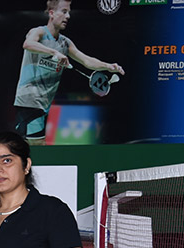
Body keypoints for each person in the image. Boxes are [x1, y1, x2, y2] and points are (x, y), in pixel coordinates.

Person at [14, 0, 124, 144]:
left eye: (69, 12)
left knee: (28, 146)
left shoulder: (65, 43)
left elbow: (86, 60)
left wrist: (108, 66)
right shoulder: (39, 32)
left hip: (45, 103)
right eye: (64, 11)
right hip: (30, 99)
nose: (68, 16)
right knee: (37, 145)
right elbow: (28, 44)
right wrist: (54, 52)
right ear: (52, 13)